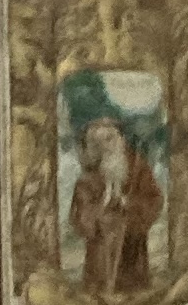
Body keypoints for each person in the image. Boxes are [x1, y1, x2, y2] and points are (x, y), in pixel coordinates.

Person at [69, 112, 161, 295]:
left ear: (120, 139)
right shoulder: (87, 180)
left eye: (109, 139)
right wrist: (104, 201)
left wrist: (129, 203)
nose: (106, 147)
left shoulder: (138, 168)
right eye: (98, 143)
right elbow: (80, 218)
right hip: (100, 257)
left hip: (132, 250)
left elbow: (154, 200)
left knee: (133, 299)